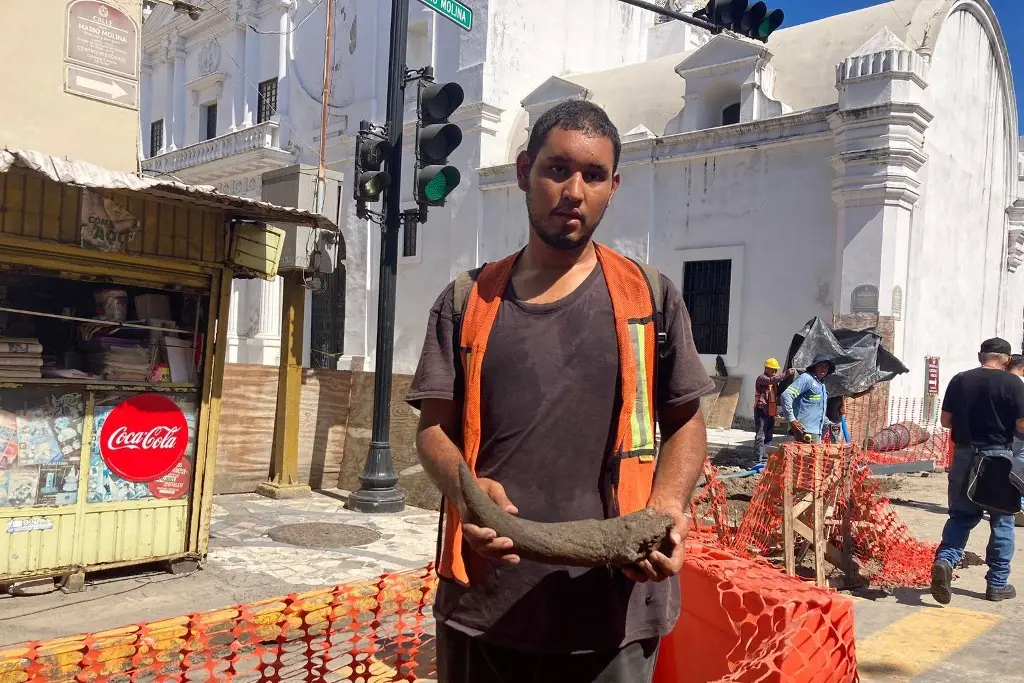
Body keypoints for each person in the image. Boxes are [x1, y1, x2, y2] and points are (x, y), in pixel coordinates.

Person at [407, 99, 714, 682]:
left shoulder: (650, 298)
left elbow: (685, 422)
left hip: (615, 608)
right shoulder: (465, 301)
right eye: (558, 169)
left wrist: (670, 507)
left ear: (613, 186)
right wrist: (465, 489)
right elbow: (433, 430)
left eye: (594, 175)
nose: (575, 190)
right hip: (485, 604)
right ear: (525, 172)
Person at [930, 338, 1024, 604]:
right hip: (998, 459)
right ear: (1006, 360)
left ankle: (946, 562)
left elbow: (946, 421)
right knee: (1003, 521)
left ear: (980, 355)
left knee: (960, 516)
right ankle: (997, 584)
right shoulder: (1013, 383)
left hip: (963, 456)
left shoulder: (960, 380)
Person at [780, 354, 835, 444]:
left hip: (816, 432)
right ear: (814, 367)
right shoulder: (807, 379)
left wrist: (828, 423)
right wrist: (792, 419)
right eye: (820, 365)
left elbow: (816, 410)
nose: (823, 368)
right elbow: (786, 395)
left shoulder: (821, 385)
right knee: (806, 457)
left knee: (814, 457)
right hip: (805, 432)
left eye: (825, 366)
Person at [753, 358, 796, 462]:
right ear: (766, 368)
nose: (774, 372)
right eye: (772, 369)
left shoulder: (774, 383)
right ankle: (758, 459)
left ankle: (765, 458)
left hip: (770, 412)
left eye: (775, 370)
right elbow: (772, 380)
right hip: (761, 411)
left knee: (768, 436)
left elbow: (775, 396)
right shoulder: (762, 378)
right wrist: (786, 373)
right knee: (761, 435)